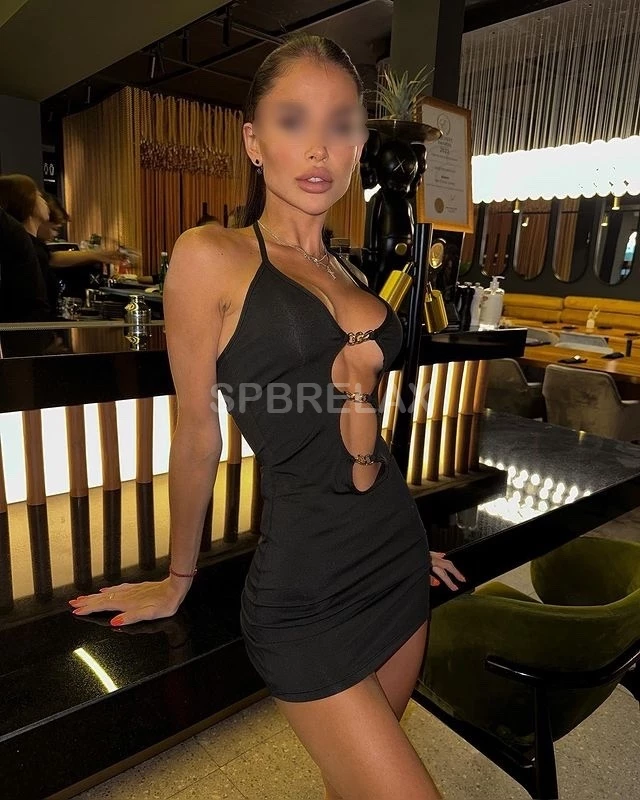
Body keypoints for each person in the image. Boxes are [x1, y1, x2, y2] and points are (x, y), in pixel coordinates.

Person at [68, 35, 464, 799]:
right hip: (306, 590)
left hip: (395, 558)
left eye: (340, 124)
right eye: (292, 120)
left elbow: (357, 430)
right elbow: (197, 432)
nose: (318, 147)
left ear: (358, 146)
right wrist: (179, 576)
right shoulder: (210, 255)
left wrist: (405, 533)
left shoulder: (347, 269)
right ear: (253, 142)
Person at [0, 175, 54, 319]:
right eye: (38, 195)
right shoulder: (24, 247)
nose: (44, 200)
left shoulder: (34, 246)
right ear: (26, 201)